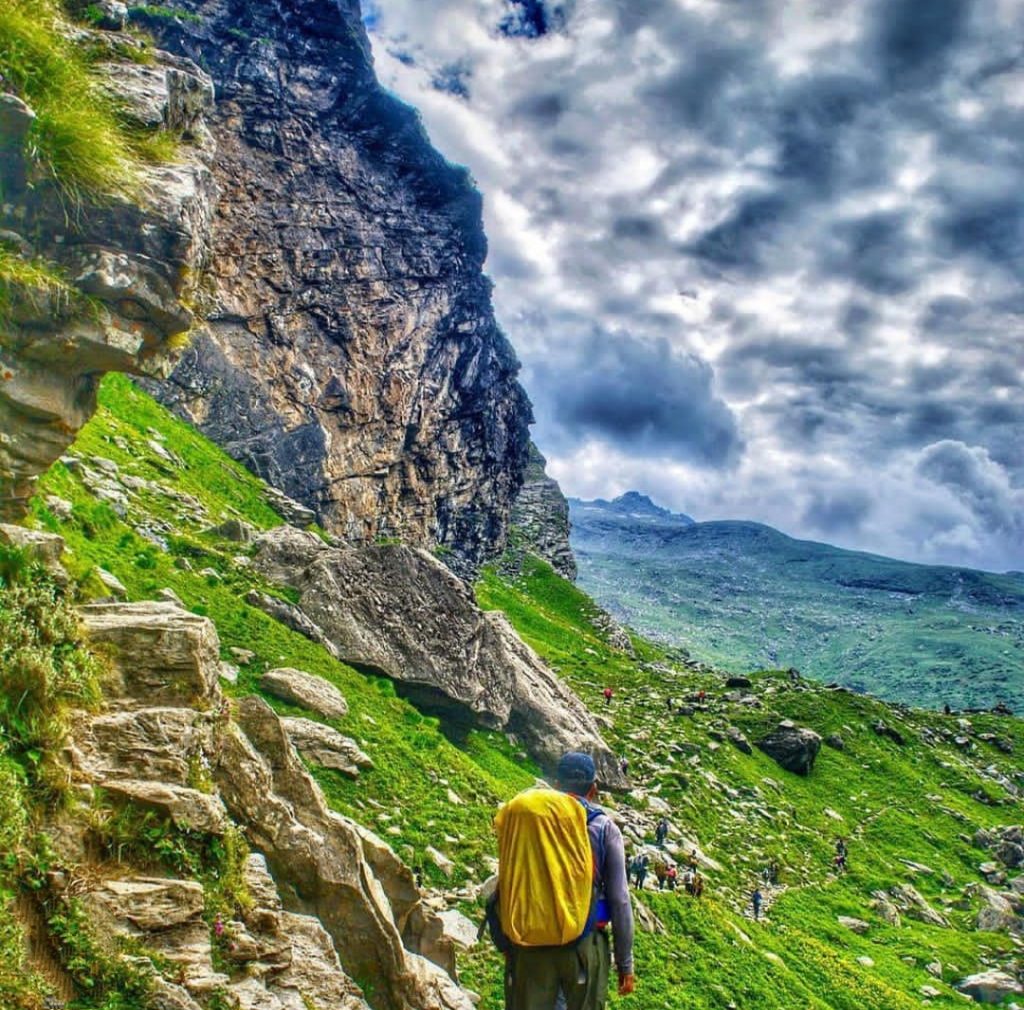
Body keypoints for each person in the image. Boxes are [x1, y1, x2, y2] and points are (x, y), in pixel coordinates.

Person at [500, 752, 635, 1010]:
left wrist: (505, 937)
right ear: (594, 789)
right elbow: (619, 899)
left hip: (529, 942)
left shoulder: (531, 820)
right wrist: (625, 963)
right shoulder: (604, 827)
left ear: (557, 785)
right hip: (583, 944)